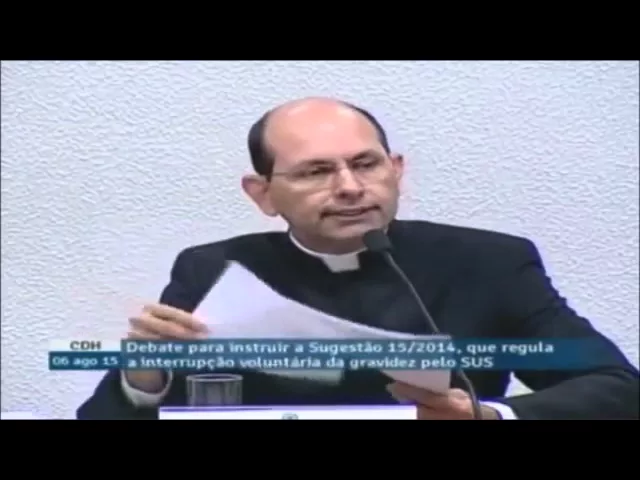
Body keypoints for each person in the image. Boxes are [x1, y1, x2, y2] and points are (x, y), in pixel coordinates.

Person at [77, 97, 639, 420]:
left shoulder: (489, 262)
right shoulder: (212, 270)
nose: (349, 187)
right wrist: (145, 375)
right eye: (316, 171)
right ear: (263, 194)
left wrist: (490, 415)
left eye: (366, 164)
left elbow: (617, 385)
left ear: (397, 170)